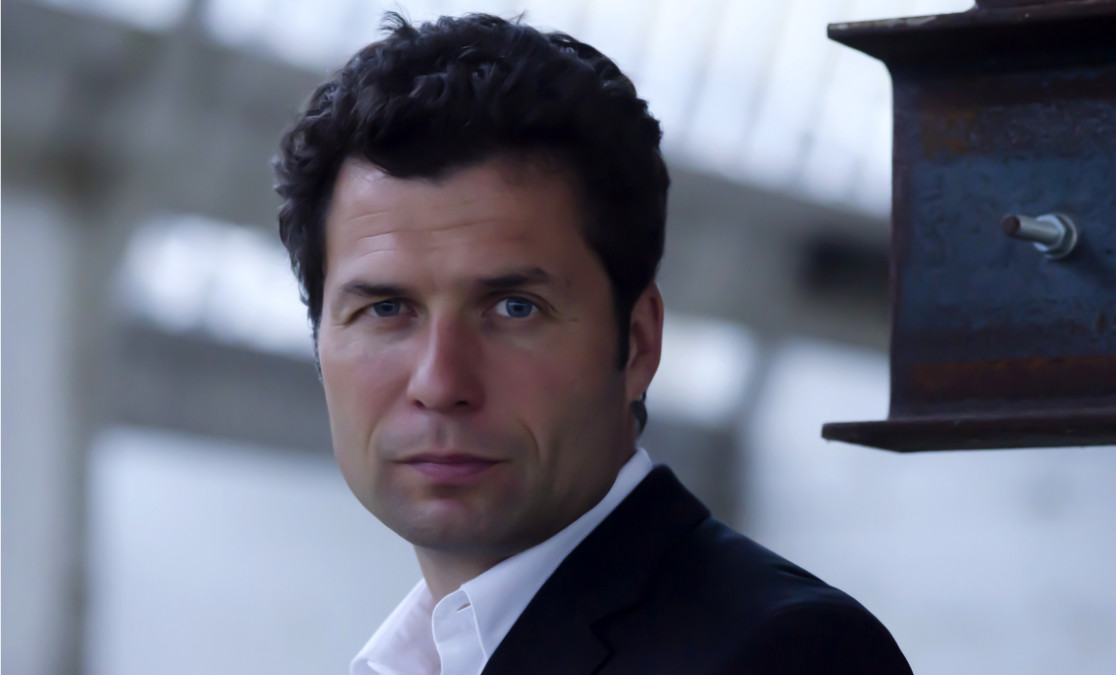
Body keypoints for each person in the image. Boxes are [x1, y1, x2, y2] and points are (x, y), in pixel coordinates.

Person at [273, 12, 911, 675]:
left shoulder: (792, 654)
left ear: (637, 344)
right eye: (385, 309)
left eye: (514, 308)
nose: (439, 382)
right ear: (319, 342)